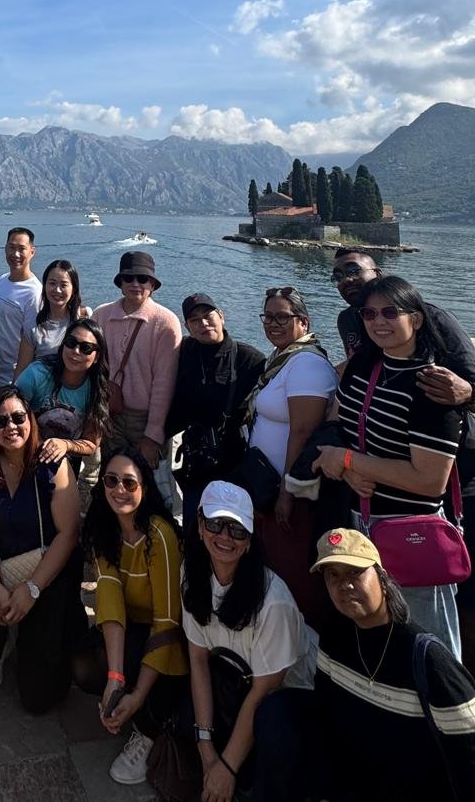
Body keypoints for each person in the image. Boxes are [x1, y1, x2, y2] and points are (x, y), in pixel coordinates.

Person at [236, 527, 475, 802]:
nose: (344, 586)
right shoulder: (335, 643)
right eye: (333, 577)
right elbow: (324, 732)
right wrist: (324, 798)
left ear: (381, 577)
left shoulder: (429, 663)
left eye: (355, 574)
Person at [331, 250, 475, 711]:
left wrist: (468, 393)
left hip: (457, 495)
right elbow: (349, 415)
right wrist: (348, 464)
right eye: (369, 312)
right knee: (384, 622)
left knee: (464, 620)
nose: (346, 279)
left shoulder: (433, 333)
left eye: (355, 271)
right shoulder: (358, 335)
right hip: (373, 512)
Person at [315, 276, 466, 657]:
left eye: (389, 312)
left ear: (415, 319)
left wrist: (350, 461)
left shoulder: (431, 386)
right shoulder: (362, 370)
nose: (378, 321)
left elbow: (431, 480)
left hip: (409, 529)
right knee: (375, 641)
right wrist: (347, 467)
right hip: (360, 523)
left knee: (427, 648)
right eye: (368, 313)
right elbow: (341, 426)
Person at [181, 482, 316, 802]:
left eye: (237, 529)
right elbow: (197, 659)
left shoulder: (273, 602)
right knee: (185, 713)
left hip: (287, 699)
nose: (225, 537)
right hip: (235, 683)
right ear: (198, 525)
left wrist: (225, 766)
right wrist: (206, 747)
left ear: (251, 539)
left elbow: (264, 693)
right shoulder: (192, 576)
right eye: (215, 524)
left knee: (271, 728)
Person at [0, 385, 84, 712]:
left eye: (18, 417)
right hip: (2, 563)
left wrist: (32, 589)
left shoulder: (51, 463)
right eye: (0, 422)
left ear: (31, 419)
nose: (10, 427)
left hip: (48, 571)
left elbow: (68, 534)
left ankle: (27, 637)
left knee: (39, 699)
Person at [73, 448, 188, 784]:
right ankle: (128, 703)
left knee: (142, 666)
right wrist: (115, 679)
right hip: (134, 629)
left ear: (145, 488)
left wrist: (135, 696)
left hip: (171, 639)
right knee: (85, 666)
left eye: (129, 482)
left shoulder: (160, 535)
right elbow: (109, 602)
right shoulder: (105, 531)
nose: (119, 489)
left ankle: (148, 728)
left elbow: (167, 623)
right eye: (111, 480)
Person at [248, 287, 338, 626]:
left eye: (282, 317)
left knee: (295, 574)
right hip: (270, 490)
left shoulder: (307, 365)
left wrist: (287, 491)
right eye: (268, 316)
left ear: (303, 321)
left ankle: (301, 650)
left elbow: (302, 431)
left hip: (293, 494)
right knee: (275, 569)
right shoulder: (281, 357)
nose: (273, 324)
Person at [167, 293, 265, 540]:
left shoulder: (249, 359)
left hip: (234, 460)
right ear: (187, 326)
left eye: (208, 316)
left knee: (231, 531)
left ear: (221, 316)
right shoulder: (186, 352)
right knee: (193, 528)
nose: (203, 324)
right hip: (196, 459)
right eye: (195, 320)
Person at [92, 251, 182, 470]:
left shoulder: (166, 322)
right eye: (128, 278)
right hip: (110, 414)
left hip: (145, 418)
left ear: (152, 284)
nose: (135, 283)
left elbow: (164, 382)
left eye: (142, 278)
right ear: (120, 283)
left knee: (149, 482)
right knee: (112, 475)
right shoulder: (100, 316)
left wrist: (153, 434)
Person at [15, 316, 110, 468]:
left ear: (97, 356)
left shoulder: (96, 390)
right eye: (71, 343)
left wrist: (65, 445)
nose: (75, 351)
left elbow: (91, 443)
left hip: (65, 463)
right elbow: (7, 414)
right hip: (24, 453)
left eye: (86, 348)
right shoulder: (36, 374)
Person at [14, 258, 89, 374]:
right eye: (52, 283)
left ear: (74, 289)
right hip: (42, 390)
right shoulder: (33, 326)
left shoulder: (84, 319)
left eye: (64, 285)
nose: (57, 290)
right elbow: (22, 371)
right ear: (44, 287)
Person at [0, 226, 42, 385]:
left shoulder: (35, 293)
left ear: (32, 252)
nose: (15, 254)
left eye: (21, 249)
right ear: (5, 249)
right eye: (11, 248)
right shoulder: (2, 279)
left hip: (8, 380)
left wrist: (16, 385)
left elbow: (30, 344)